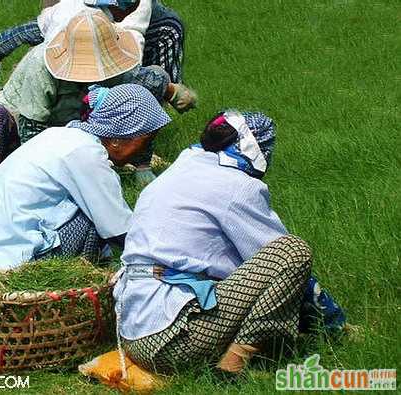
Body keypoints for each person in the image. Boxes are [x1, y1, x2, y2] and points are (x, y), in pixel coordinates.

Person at [113, 110, 346, 375]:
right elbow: (281, 261)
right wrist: (334, 323)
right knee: (293, 251)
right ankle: (232, 366)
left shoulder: (182, 168)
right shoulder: (235, 185)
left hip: (132, 329)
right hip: (172, 340)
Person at [0, 9, 196, 220]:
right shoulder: (40, 65)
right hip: (23, 129)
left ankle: (136, 166)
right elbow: (32, 130)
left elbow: (144, 81)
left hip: (77, 131)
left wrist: (173, 92)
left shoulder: (117, 65)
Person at [0, 84, 171, 272]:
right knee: (91, 219)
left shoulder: (64, 138)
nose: (145, 150)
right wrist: (166, 260)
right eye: (146, 140)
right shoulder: (85, 153)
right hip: (7, 267)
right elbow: (120, 229)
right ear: (117, 139)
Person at [0, 0, 185, 83]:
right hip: (70, 24)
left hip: (121, 33)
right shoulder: (61, 14)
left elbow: (132, 52)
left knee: (170, 30)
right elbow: (25, 32)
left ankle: (156, 109)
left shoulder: (133, 11)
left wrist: (167, 90)